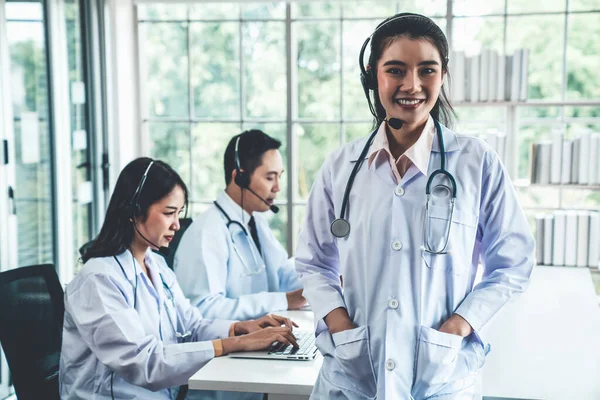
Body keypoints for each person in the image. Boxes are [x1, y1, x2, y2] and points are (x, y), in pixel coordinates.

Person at [295, 13, 535, 399]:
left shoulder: (476, 162)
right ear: (373, 77)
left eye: (427, 70)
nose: (412, 85)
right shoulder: (341, 168)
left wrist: (459, 324)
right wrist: (339, 324)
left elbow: (513, 262)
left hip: (440, 379)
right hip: (352, 378)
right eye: (396, 70)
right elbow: (313, 262)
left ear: (442, 75)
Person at [60, 157, 298, 400]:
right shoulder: (98, 279)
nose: (176, 224)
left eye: (179, 213)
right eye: (169, 213)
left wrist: (239, 328)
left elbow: (192, 328)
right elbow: (144, 364)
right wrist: (236, 344)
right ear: (134, 211)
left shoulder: (157, 265)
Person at [174, 129, 306, 322]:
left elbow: (281, 274)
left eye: (280, 176)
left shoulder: (255, 221)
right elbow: (203, 309)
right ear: (240, 178)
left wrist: (324, 275)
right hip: (224, 349)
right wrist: (285, 300)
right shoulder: (207, 232)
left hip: (260, 340)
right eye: (270, 177)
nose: (277, 187)